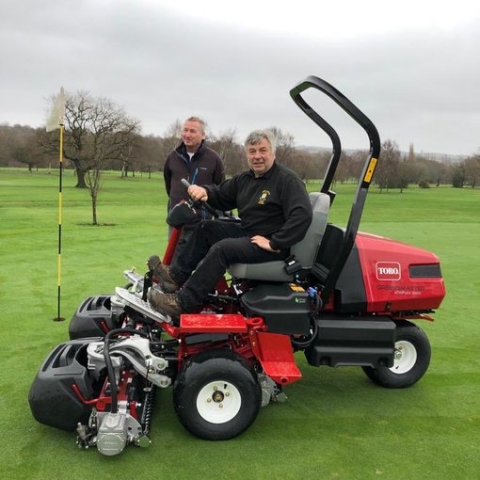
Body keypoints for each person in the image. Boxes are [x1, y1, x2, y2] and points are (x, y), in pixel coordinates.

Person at [148, 129, 313, 319]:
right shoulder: (246, 179)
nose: (257, 156)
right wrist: (204, 191)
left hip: (271, 245)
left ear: (273, 152)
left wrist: (275, 242)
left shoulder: (287, 180)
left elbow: (302, 215)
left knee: (223, 249)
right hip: (249, 233)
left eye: (262, 150)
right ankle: (175, 277)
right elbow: (221, 194)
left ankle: (183, 303)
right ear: (247, 154)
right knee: (206, 228)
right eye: (252, 151)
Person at [164, 116, 225, 260]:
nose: (187, 134)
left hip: (202, 224)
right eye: (185, 130)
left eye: (192, 131)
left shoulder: (213, 159)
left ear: (203, 135)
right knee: (172, 268)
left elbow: (221, 190)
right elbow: (168, 187)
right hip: (177, 225)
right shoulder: (172, 157)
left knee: (202, 268)